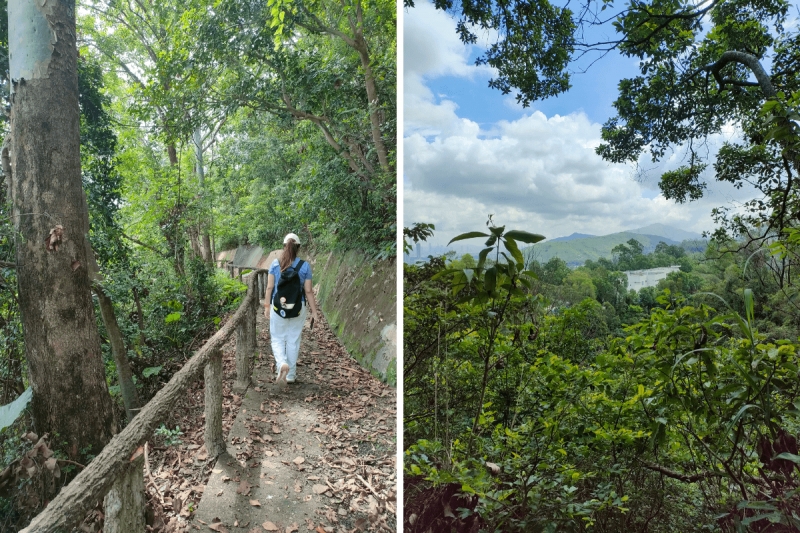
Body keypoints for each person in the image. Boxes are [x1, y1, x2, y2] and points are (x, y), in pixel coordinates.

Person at [264, 233, 320, 386]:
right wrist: (314, 312)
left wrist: (267, 306)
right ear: (298, 248)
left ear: (284, 246)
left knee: (277, 338)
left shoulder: (275, 264)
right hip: (298, 307)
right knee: (293, 340)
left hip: (278, 308)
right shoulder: (305, 266)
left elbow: (269, 287)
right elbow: (308, 291)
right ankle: (291, 375)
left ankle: (281, 363)